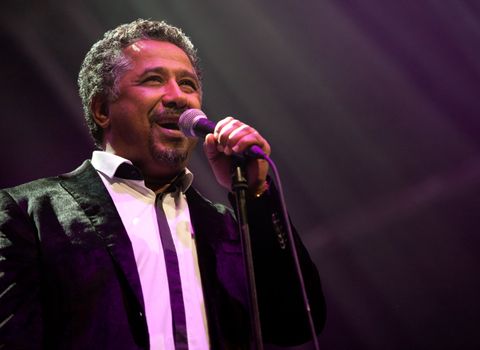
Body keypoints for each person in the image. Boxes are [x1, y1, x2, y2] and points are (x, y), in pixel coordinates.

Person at [0, 19, 325, 349]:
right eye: (154, 80)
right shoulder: (29, 214)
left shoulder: (225, 227)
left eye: (188, 84)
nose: (178, 97)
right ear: (101, 110)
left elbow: (294, 324)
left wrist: (256, 195)